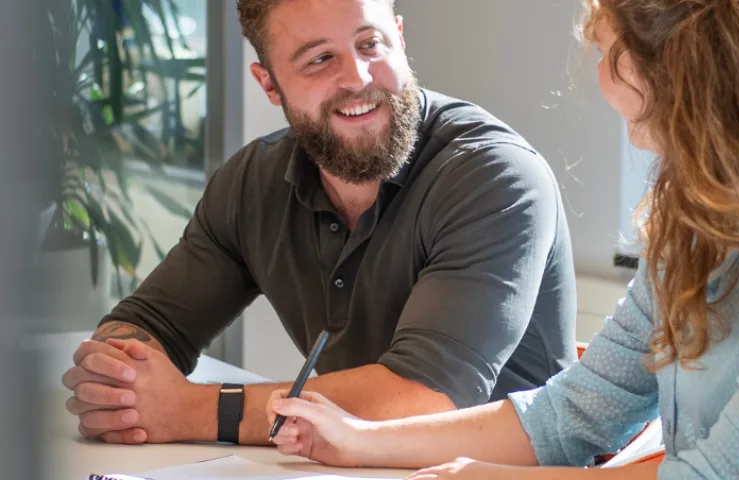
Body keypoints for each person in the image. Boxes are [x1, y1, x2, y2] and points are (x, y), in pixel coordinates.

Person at [263, 0, 739, 478]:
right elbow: (573, 414)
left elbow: (734, 472)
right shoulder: (694, 223)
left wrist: (481, 476)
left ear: (678, 70)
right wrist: (360, 442)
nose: (597, 77)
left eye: (606, 51)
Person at [60, 0, 577, 447]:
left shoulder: (495, 177)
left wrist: (189, 410)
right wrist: (118, 381)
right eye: (320, 59)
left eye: (370, 44)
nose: (357, 77)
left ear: (399, 37)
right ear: (269, 83)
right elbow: (151, 323)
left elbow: (422, 399)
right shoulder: (251, 182)